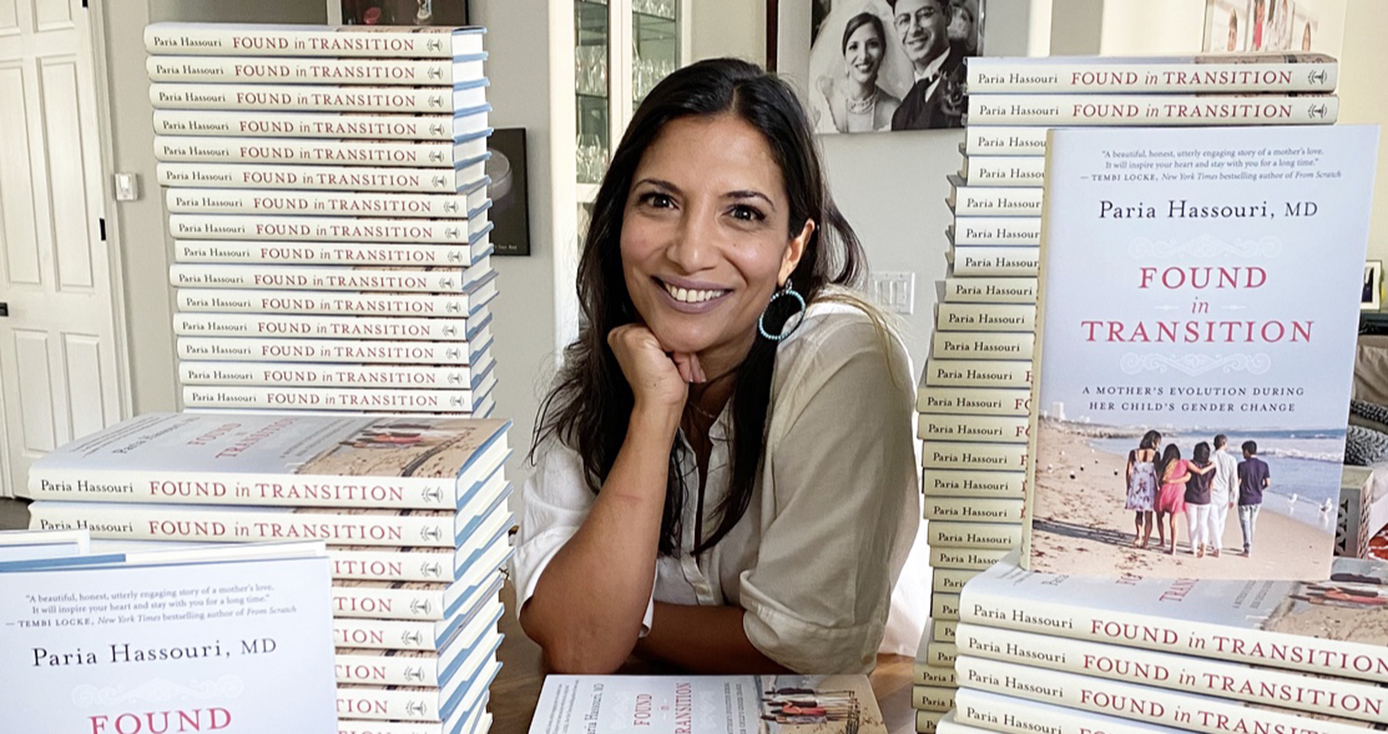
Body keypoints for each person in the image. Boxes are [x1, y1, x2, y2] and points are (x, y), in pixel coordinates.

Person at [512, 58, 919, 675]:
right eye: (660, 200)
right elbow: (577, 646)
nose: (691, 251)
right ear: (620, 215)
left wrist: (622, 618)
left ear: (793, 249)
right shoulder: (612, 360)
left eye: (743, 213)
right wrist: (655, 410)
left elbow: (809, 650)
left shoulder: (845, 362)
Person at [811, 13, 902, 133]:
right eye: (854, 47)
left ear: (883, 51)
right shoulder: (822, 95)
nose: (863, 56)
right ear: (844, 55)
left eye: (872, 44)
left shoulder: (894, 109)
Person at [887, 0, 966, 130]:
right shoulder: (900, 115)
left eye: (924, 15)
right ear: (896, 28)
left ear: (947, 15)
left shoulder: (973, 82)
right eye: (904, 20)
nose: (913, 30)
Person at [1124, 430, 1161, 548]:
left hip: (1136, 486)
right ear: (1154, 441)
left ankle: (1139, 536)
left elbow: (1128, 471)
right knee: (1149, 516)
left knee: (1138, 514)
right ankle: (1146, 541)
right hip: (1149, 488)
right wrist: (1159, 487)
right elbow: (1158, 473)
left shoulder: (1133, 453)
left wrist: (1128, 486)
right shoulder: (1156, 455)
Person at [1154, 443, 1190, 555]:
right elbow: (1188, 477)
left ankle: (1162, 540)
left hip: (1164, 492)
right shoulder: (1183, 463)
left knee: (1159, 517)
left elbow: (1158, 479)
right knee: (1174, 522)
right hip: (1177, 494)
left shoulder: (1163, 464)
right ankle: (1173, 548)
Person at [1237, 440, 1270, 556]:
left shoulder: (1242, 465)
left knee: (1245, 523)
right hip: (1257, 498)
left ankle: (1247, 547)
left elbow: (1238, 482)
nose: (1242, 454)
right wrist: (1260, 488)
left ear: (1246, 451)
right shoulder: (1264, 465)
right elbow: (1268, 482)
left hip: (1245, 498)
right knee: (1252, 522)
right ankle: (1250, 543)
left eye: (1243, 451)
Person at [1184, 442, 1217, 558]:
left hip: (1191, 497)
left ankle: (1193, 548)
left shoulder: (1191, 464)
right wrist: (1209, 496)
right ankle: (1203, 546)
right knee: (1203, 524)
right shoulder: (1212, 468)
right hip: (1205, 498)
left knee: (1192, 524)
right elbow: (1211, 484)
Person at [1208, 434, 1238, 557]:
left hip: (1212, 492)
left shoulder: (1211, 458)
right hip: (1225, 493)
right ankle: (1216, 544)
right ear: (1225, 444)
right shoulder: (1231, 460)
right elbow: (1234, 481)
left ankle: (1216, 545)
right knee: (1220, 520)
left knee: (1213, 520)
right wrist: (1234, 497)